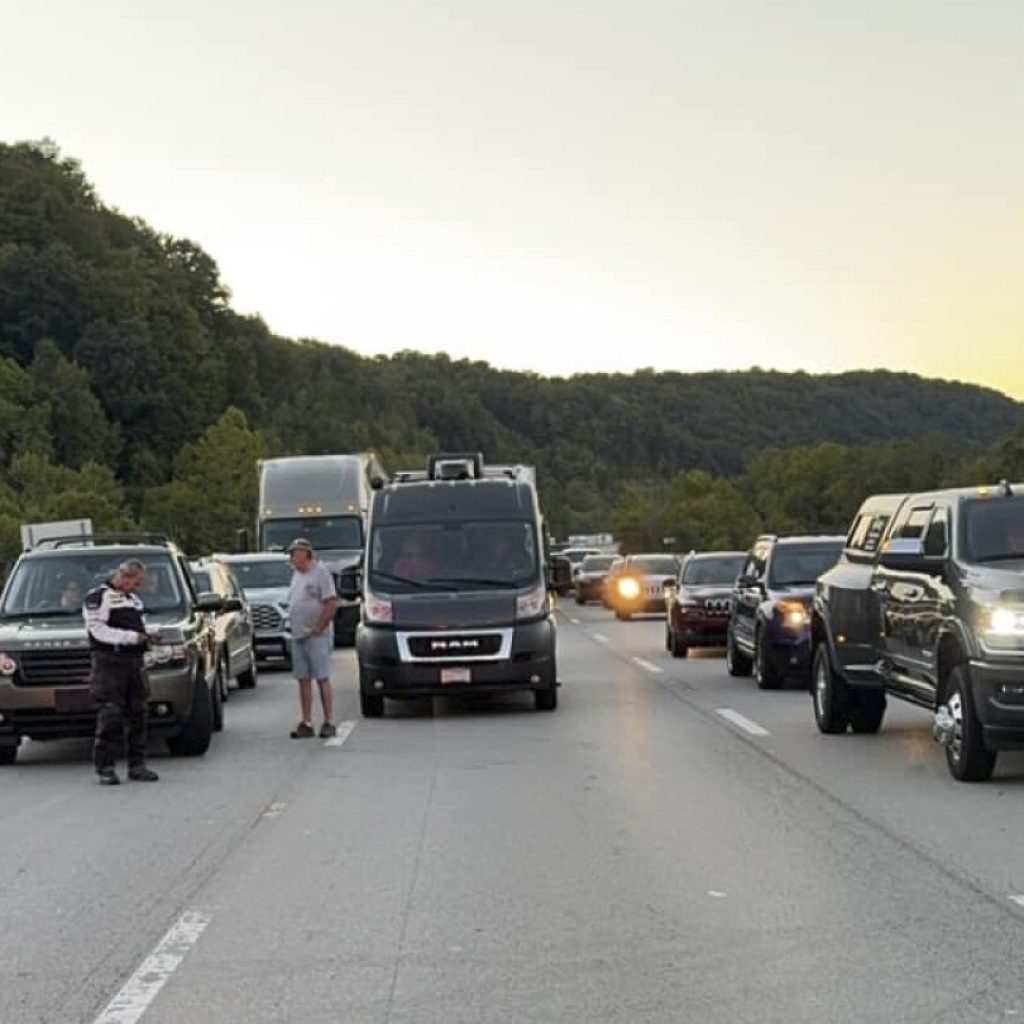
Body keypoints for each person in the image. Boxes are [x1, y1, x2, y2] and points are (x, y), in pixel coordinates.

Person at [83, 560, 160, 785]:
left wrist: (147, 637)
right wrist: (132, 637)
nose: (136, 587)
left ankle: (138, 765)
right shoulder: (98, 597)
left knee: (139, 713)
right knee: (111, 713)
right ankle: (105, 767)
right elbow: (98, 630)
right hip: (109, 662)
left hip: (134, 662)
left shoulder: (133, 600)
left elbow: (139, 628)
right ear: (124, 576)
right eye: (135, 582)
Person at [285, 538, 339, 738]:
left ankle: (329, 720)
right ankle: (306, 721)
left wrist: (320, 627)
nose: (292, 558)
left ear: (305, 554)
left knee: (322, 677)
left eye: (295, 554)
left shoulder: (320, 572)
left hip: (317, 636)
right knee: (303, 679)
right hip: (298, 635)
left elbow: (331, 602)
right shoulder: (296, 576)